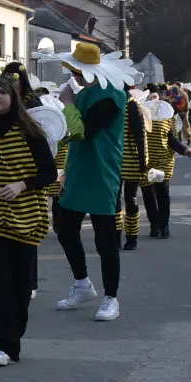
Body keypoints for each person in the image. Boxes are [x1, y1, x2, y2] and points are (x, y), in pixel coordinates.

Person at [0, 75, 57, 366]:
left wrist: (21, 185)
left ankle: (14, 336)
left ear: (12, 98)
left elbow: (49, 173)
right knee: (0, 283)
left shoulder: (31, 131)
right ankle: (1, 346)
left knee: (20, 286)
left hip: (26, 217)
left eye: (1, 92)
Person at [43, 44, 137, 322]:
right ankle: (82, 284)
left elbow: (83, 131)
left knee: (105, 238)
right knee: (65, 228)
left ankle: (111, 297)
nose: (73, 75)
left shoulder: (113, 96)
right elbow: (69, 133)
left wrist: (68, 104)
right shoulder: (84, 93)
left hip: (102, 172)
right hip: (78, 170)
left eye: (75, 71)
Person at [146, 96, 191, 237]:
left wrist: (185, 150)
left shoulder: (167, 120)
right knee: (149, 195)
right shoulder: (141, 119)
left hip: (161, 162)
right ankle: (154, 225)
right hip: (146, 163)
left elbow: (172, 139)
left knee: (161, 193)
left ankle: (164, 226)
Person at [117, 89, 152, 252]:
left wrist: (142, 160)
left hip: (131, 159)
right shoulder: (114, 103)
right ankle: (115, 236)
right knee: (114, 200)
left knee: (130, 199)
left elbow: (140, 135)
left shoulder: (132, 105)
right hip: (115, 159)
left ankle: (132, 237)